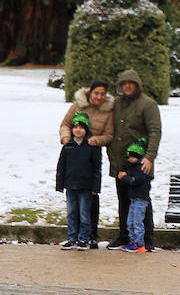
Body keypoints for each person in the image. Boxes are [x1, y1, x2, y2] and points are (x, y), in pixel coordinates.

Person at [105, 69, 161, 251]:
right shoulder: (116, 103)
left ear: (137, 85)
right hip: (120, 162)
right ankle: (124, 236)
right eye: (124, 83)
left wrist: (150, 157)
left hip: (140, 163)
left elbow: (155, 131)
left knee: (142, 201)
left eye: (131, 83)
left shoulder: (148, 104)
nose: (127, 86)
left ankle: (147, 239)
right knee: (123, 199)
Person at [56, 79, 114, 247]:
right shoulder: (78, 105)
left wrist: (97, 140)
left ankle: (89, 236)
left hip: (92, 151)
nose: (99, 97)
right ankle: (74, 236)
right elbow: (65, 124)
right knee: (74, 209)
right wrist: (65, 137)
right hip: (75, 148)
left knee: (90, 204)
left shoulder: (108, 111)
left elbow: (109, 135)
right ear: (90, 93)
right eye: (96, 93)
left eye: (102, 94)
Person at [54, 111, 101, 250]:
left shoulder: (92, 147)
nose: (78, 130)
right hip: (70, 185)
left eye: (81, 127)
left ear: (86, 130)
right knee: (71, 213)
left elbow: (96, 168)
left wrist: (95, 187)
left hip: (85, 187)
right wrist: (60, 184)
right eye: (75, 127)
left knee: (84, 214)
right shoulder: (68, 146)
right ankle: (72, 237)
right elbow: (61, 166)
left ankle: (84, 238)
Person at [115, 140, 152, 253]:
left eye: (133, 157)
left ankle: (139, 243)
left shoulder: (142, 169)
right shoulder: (131, 168)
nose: (130, 159)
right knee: (130, 222)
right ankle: (133, 241)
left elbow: (134, 181)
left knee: (137, 222)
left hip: (140, 200)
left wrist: (124, 177)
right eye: (129, 157)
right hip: (133, 199)